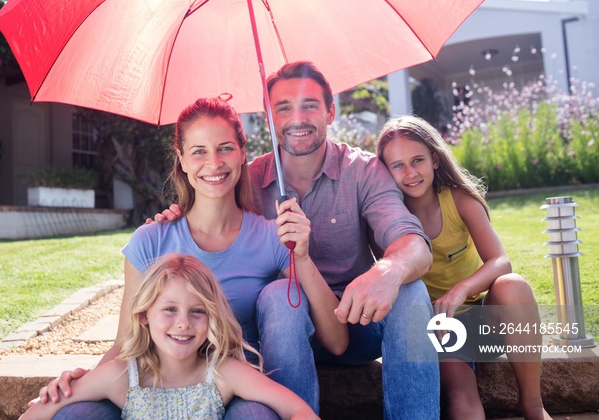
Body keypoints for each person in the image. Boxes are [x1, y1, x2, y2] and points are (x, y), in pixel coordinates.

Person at [155, 61, 440, 418]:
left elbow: (413, 243)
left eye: (309, 105)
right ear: (270, 117)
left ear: (330, 111)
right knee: (279, 295)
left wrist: (387, 271)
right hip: (282, 332)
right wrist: (174, 216)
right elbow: (204, 213)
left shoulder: (363, 171)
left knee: (410, 289)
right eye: (284, 108)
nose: (297, 118)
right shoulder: (246, 180)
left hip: (356, 322)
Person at [37, 97, 346, 419]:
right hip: (160, 388)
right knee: (76, 414)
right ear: (182, 161)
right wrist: (80, 383)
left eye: (225, 148)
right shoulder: (151, 240)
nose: (213, 163)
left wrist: (303, 257)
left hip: (238, 388)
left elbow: (337, 343)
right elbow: (126, 343)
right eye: (199, 151)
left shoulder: (275, 236)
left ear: (243, 154)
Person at [376, 115, 551, 420]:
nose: (410, 172)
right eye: (398, 165)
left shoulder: (459, 200)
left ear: (434, 159)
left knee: (513, 284)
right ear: (384, 171)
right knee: (461, 399)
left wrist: (461, 290)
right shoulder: (386, 219)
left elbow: (500, 260)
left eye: (417, 160)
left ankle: (533, 406)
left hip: (485, 318)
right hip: (441, 331)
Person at [20, 254, 319, 420]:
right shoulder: (122, 376)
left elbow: (297, 409)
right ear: (143, 315)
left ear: (212, 317)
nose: (183, 324)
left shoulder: (223, 373)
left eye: (197, 311)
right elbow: (36, 414)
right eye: (170, 309)